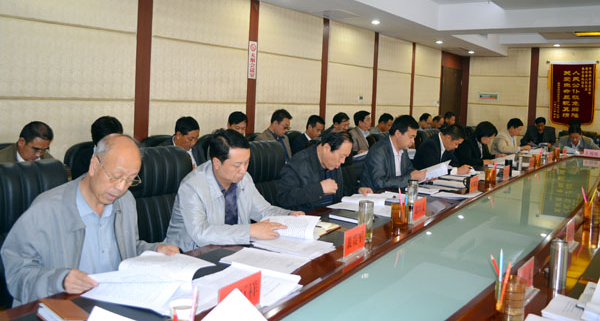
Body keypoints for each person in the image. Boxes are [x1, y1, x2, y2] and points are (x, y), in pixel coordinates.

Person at [1, 134, 179, 306]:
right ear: (94, 165)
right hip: (65, 305)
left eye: (130, 180)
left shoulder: (125, 202)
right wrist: (60, 280)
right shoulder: (47, 209)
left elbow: (127, 249)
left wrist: (155, 250)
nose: (121, 188)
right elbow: (16, 271)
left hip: (114, 300)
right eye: (116, 177)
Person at [165, 129, 304, 251]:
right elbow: (201, 234)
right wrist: (249, 231)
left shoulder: (243, 178)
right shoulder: (192, 187)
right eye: (237, 165)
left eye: (247, 162)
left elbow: (263, 211)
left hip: (232, 249)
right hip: (189, 254)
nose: (243, 170)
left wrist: (289, 215)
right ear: (217, 163)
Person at [278, 132, 372, 211]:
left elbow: (339, 190)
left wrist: (357, 190)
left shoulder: (333, 163)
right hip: (310, 218)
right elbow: (283, 198)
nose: (343, 161)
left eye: (345, 157)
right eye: (341, 156)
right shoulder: (298, 163)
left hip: (332, 214)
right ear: (327, 148)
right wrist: (319, 189)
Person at [361, 115, 427, 190]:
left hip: (397, 193)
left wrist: (421, 176)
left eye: (414, 138)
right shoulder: (379, 151)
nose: (413, 141)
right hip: (376, 194)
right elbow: (379, 182)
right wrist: (410, 177)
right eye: (411, 137)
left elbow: (409, 169)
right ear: (398, 133)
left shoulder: (403, 149)